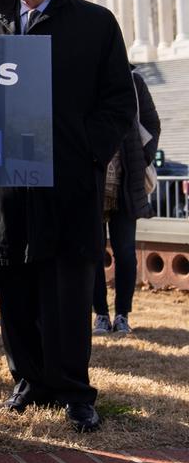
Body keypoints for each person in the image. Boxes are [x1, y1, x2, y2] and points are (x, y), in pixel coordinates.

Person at [0, 0, 135, 434]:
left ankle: (74, 392)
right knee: (13, 286)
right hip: (5, 187)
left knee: (66, 288)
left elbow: (119, 103)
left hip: (68, 182)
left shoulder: (94, 24)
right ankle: (28, 383)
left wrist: (84, 150)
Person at [93, 68, 160, 336]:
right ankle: (100, 314)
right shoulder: (86, 75)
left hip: (126, 180)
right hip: (94, 180)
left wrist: (142, 157)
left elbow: (152, 123)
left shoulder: (134, 81)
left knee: (125, 253)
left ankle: (122, 314)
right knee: (93, 252)